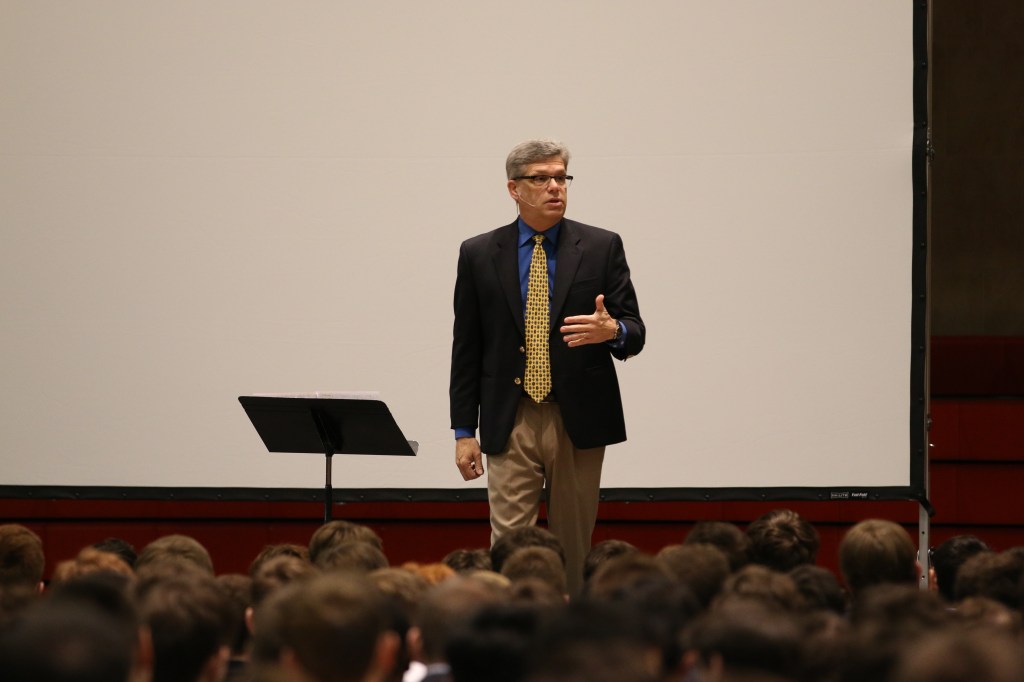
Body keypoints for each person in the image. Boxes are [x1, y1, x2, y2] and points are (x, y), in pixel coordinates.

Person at [450, 139, 645, 595]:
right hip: (510, 415)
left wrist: (612, 331)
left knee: (574, 547)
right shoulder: (479, 253)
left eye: (561, 178)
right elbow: (467, 346)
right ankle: (513, 642)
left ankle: (567, 643)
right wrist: (463, 431)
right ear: (514, 189)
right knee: (511, 547)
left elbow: (635, 331)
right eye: (542, 179)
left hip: (578, 418)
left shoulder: (600, 246)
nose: (555, 187)